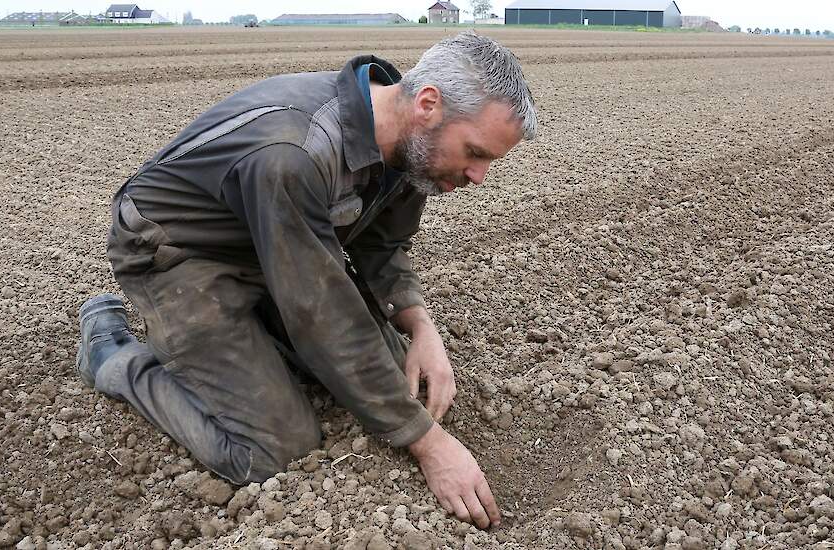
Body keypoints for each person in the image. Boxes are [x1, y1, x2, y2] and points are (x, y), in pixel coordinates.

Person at [76, 31, 536, 529]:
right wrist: (429, 444)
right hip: (182, 255)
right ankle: (112, 356)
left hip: (276, 247)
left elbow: (382, 246)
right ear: (429, 103)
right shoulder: (293, 151)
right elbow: (320, 313)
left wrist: (422, 328)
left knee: (397, 375)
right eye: (475, 152)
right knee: (274, 450)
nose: (479, 175)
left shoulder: (407, 145)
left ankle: (259, 334)